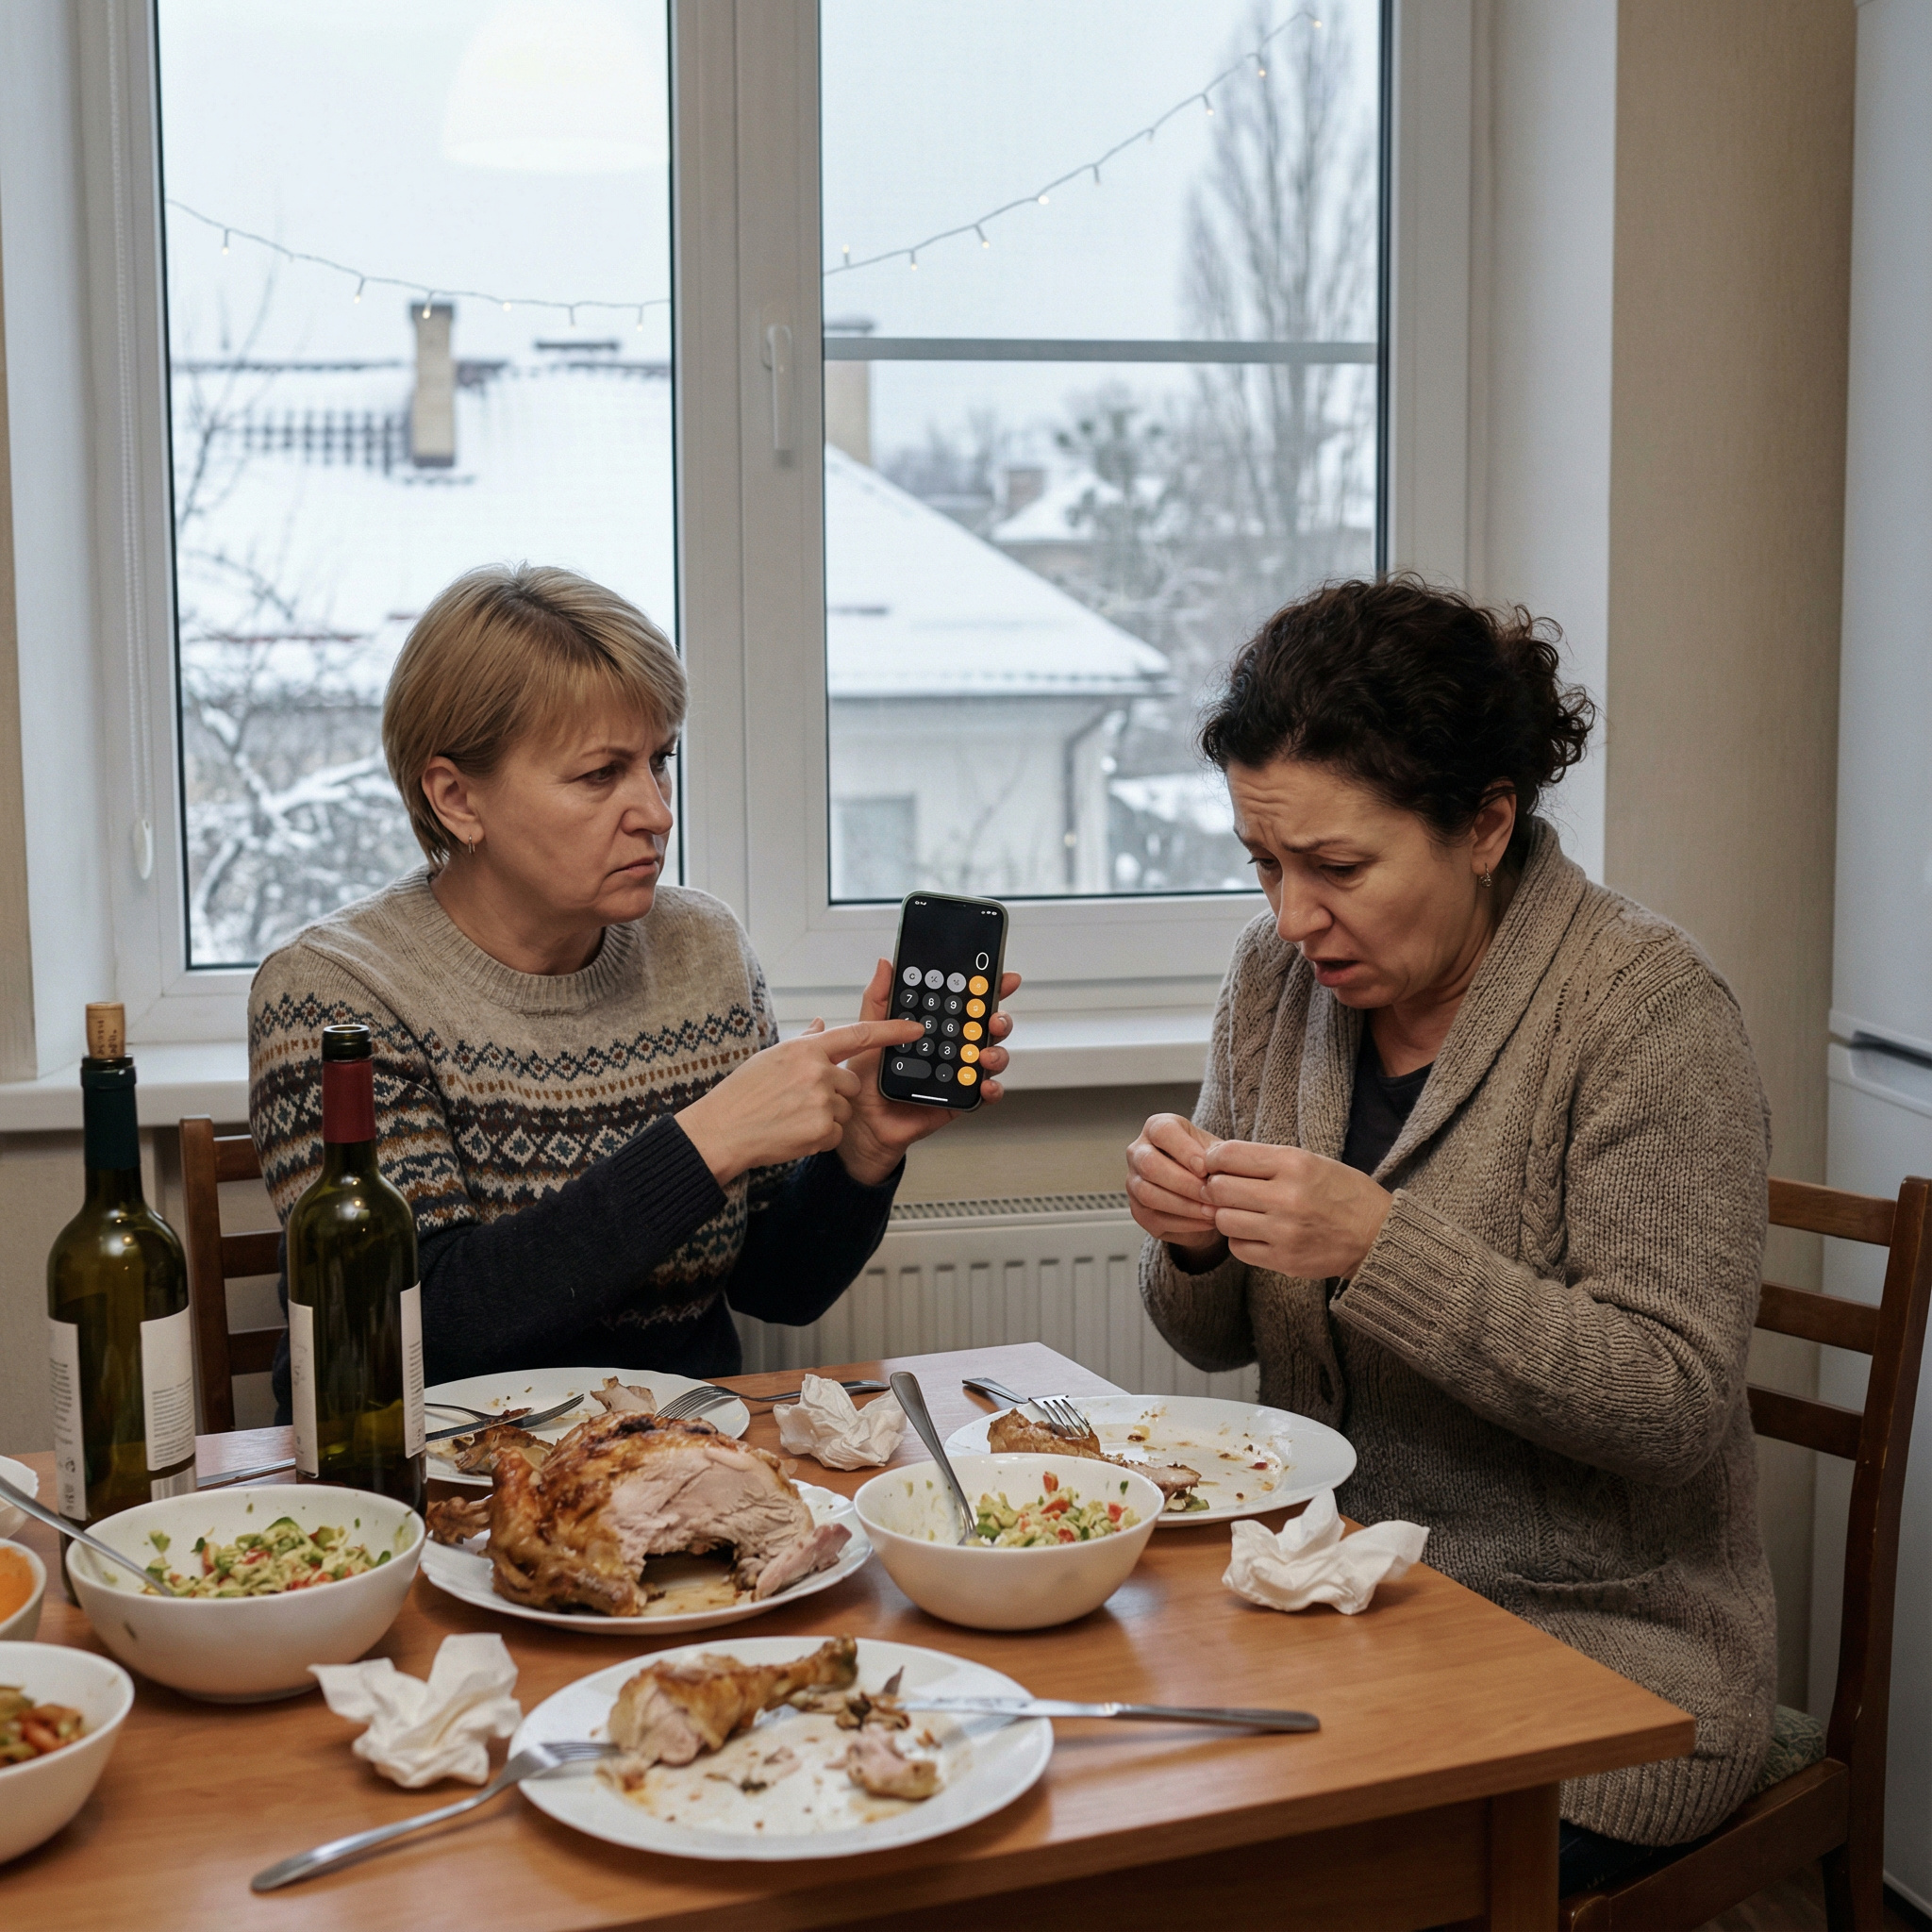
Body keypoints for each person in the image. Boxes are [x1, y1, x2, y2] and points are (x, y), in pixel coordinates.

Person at [1128, 575, 1774, 1893]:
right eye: (1265, 864)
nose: (1295, 916)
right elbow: (1203, 1345)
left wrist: (1382, 1246)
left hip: (1603, 1656)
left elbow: (1674, 1404)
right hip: (1321, 1603)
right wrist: (1194, 1242)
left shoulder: (1647, 1012)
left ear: (1484, 824)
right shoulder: (1274, 983)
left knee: (1230, 1883)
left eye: (1339, 868)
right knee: (1098, 1811)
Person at [249, 563, 1017, 1406]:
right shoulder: (333, 993)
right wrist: (706, 1140)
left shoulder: (703, 949)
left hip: (681, 1460)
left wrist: (862, 1153)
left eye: (661, 761)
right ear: (456, 798)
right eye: (599, 774)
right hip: (422, 1480)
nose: (656, 811)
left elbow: (777, 1290)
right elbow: (422, 1330)